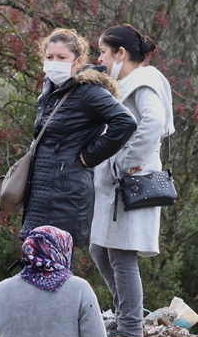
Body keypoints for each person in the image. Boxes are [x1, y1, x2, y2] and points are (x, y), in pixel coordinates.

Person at [88, 24, 174, 337]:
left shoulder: (144, 81)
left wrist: (125, 162)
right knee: (100, 249)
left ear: (120, 53)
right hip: (115, 184)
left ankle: (130, 329)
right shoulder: (127, 82)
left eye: (103, 52)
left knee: (122, 256)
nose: (99, 58)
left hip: (130, 182)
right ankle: (125, 317)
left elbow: (154, 122)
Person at [19, 28, 137, 248]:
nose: (54, 62)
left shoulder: (88, 91)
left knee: (57, 269)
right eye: (50, 57)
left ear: (78, 61)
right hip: (40, 193)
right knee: (33, 264)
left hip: (66, 194)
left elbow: (125, 122)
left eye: (62, 57)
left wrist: (90, 157)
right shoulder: (49, 90)